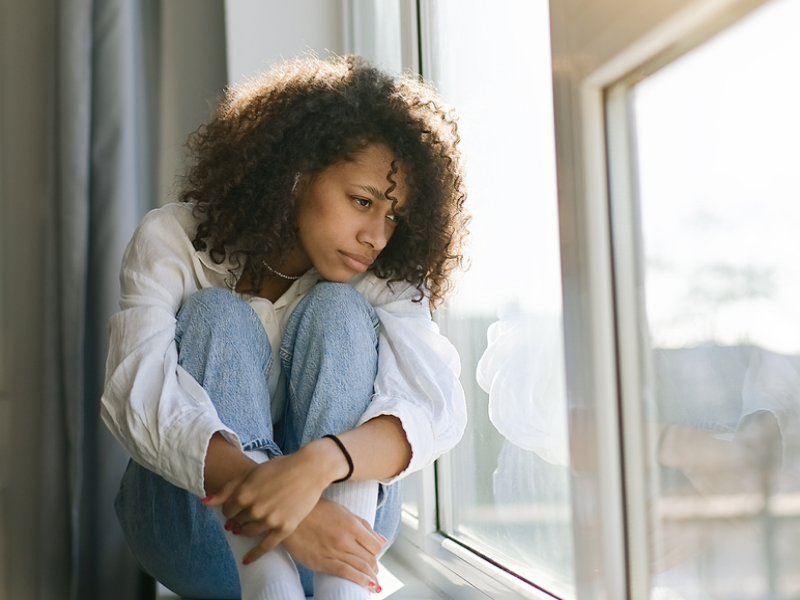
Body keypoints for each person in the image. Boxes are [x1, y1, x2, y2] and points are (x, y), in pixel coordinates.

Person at [101, 55, 469, 600]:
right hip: (197, 528)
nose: (378, 236)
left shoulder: (379, 274)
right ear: (295, 175)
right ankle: (267, 584)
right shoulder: (172, 240)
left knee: (339, 311)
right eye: (362, 202)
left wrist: (319, 466)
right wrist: (288, 515)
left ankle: (339, 592)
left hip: (344, 538)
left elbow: (439, 407)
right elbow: (136, 397)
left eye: (393, 216)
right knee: (215, 315)